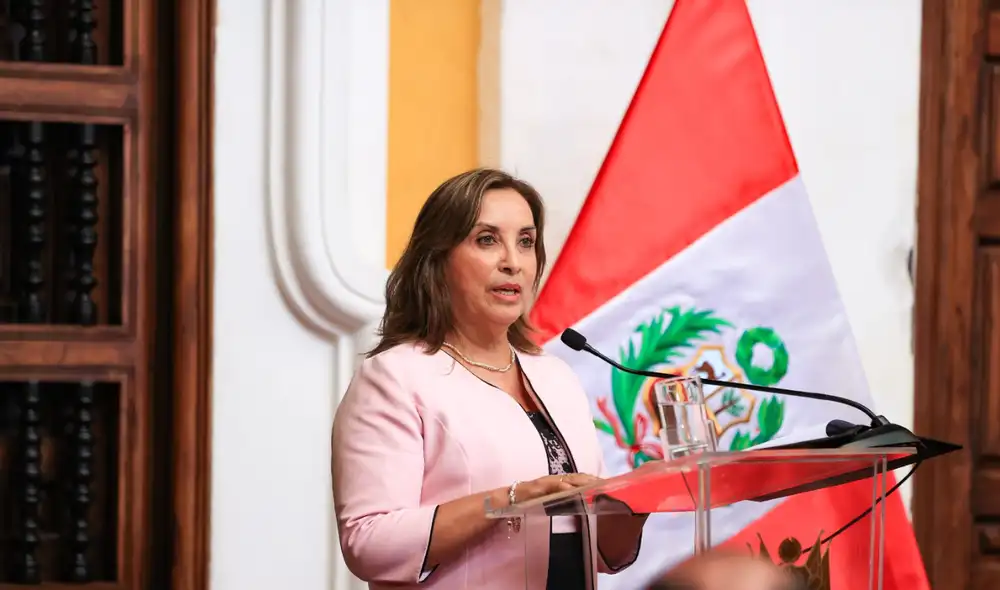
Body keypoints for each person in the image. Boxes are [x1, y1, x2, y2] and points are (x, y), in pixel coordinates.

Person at [331, 168, 648, 589]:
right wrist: (510, 500)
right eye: (487, 240)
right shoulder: (395, 377)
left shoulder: (554, 375)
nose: (513, 263)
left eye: (526, 242)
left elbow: (601, 554)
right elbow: (367, 542)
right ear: (437, 260)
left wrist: (632, 507)